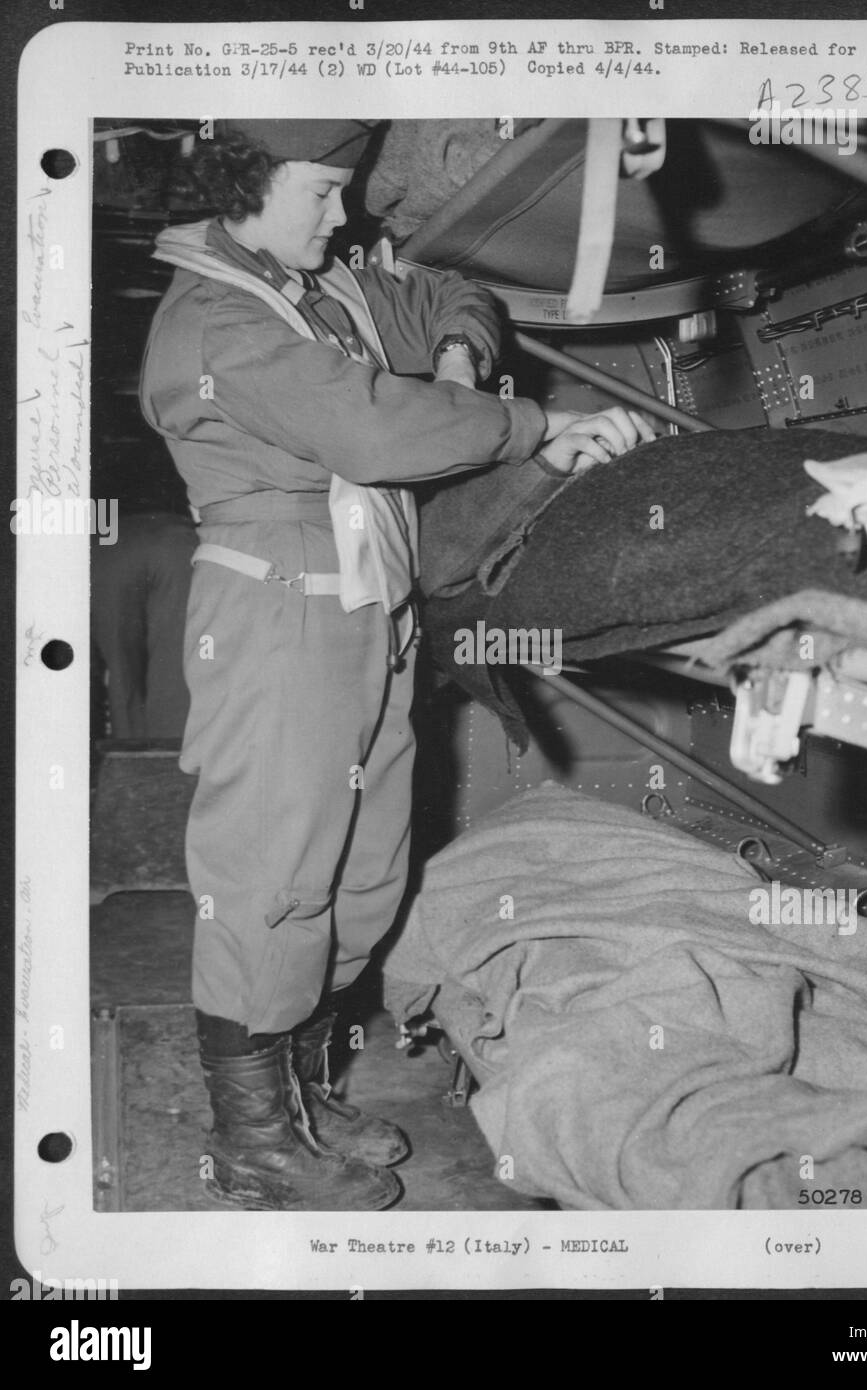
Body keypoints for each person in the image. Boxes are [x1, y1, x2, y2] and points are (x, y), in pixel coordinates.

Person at [139, 118, 654, 1212]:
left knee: (365, 878)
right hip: (279, 618)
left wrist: (463, 354)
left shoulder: (319, 285)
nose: (343, 217)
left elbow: (445, 299)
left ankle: (303, 1091)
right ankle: (251, 1138)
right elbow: (370, 431)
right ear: (244, 182)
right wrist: (524, 422)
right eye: (323, 192)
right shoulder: (215, 321)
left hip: (374, 608)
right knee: (272, 884)